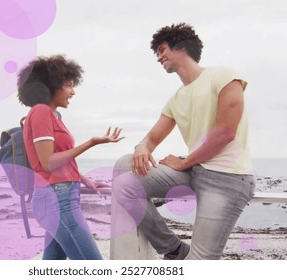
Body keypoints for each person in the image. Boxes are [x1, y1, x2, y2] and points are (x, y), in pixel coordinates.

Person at [112, 23, 255, 260]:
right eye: (157, 53)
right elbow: (152, 138)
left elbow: (225, 133)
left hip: (227, 177)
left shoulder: (224, 76)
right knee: (125, 182)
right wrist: (141, 147)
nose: (159, 57)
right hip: (194, 171)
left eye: (162, 49)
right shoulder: (176, 98)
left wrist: (184, 162)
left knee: (200, 262)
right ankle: (174, 249)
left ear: (181, 47)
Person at [17, 54, 124, 260]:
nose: (73, 92)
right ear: (52, 86)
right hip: (57, 199)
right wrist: (91, 143)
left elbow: (60, 161)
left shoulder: (53, 115)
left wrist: (85, 180)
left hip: (60, 197)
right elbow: (48, 163)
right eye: (69, 85)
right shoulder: (40, 112)